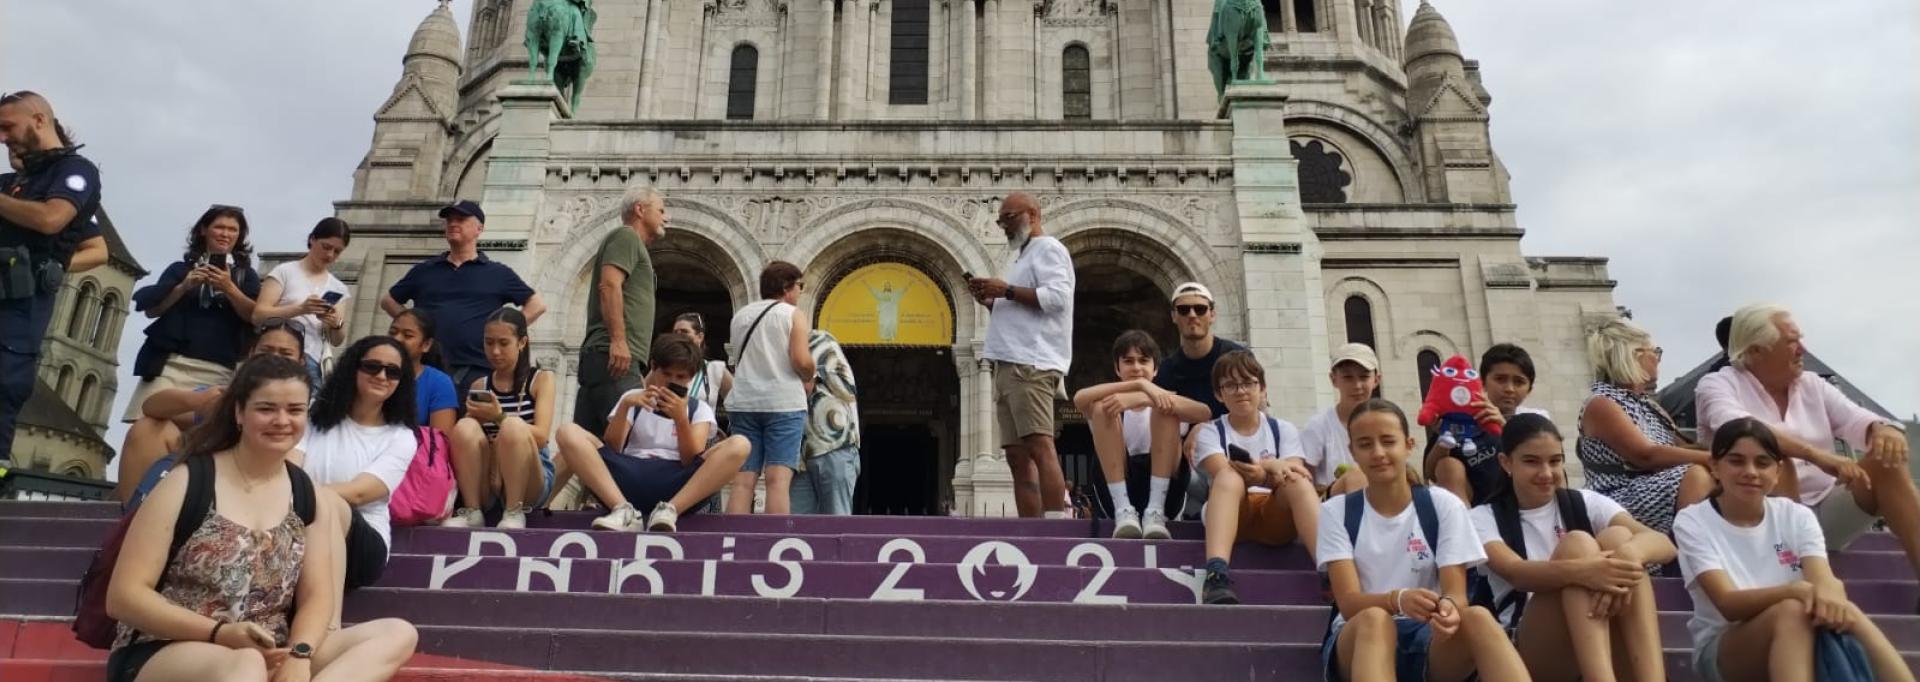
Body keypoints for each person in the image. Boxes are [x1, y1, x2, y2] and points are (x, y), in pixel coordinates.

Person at [104, 354, 416, 682]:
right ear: (239, 412)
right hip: (173, 646)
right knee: (245, 664)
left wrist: (300, 654)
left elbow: (317, 596)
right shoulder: (187, 481)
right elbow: (124, 597)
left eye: (295, 410)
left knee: (396, 633)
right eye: (266, 409)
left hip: (271, 646)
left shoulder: (305, 492)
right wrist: (220, 633)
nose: (282, 420)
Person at [1673, 417, 1913, 682]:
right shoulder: (1693, 520)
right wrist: (1795, 590)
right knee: (1791, 610)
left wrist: (1829, 593)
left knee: (1842, 609)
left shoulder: (1796, 515)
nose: (1751, 471)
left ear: (1777, 473)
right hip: (1724, 649)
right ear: (1715, 467)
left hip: (1801, 632)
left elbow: (1822, 579)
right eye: (1736, 460)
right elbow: (1728, 604)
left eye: (1762, 463)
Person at [1696, 304, 1919, 580]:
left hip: (1825, 511)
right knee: (1775, 460)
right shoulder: (1717, 384)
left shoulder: (1812, 384)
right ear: (1755, 351)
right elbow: (1740, 429)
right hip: (1757, 519)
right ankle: (1790, 576)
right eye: (1792, 342)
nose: (1802, 349)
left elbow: (1857, 419)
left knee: (1886, 458)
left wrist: (1885, 430)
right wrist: (1817, 455)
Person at [1317, 399, 1529, 682]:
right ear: (1352, 451)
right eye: (1365, 444)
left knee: (1478, 617)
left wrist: (1449, 610)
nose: (1378, 453)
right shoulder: (1336, 511)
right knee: (1375, 620)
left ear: (1408, 444)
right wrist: (1398, 600)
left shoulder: (1444, 505)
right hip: (1357, 637)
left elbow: (1456, 592)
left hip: (1427, 635)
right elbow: (1348, 603)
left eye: (1388, 441)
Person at [1471, 414, 1673, 682]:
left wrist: (1626, 557)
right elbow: (1516, 572)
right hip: (1532, 649)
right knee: (1577, 544)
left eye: (1555, 461)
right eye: (1531, 461)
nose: (1546, 473)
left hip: (1604, 632)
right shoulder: (1481, 517)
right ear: (1506, 463)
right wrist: (1585, 571)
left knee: (1619, 538)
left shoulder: (1586, 501)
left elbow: (1665, 544)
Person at [555, 334, 749, 531]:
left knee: (740, 444)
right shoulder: (632, 397)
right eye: (666, 374)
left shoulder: (699, 409)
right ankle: (622, 509)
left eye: (680, 377)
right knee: (568, 432)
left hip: (677, 483)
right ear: (654, 367)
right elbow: (613, 448)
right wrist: (624, 408)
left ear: (691, 377)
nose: (672, 381)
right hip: (627, 476)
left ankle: (671, 509)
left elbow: (691, 459)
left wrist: (680, 419)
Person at [0, 91, 103, 459]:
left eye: (8, 127)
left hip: (19, 311)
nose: (3, 138)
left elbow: (50, 220)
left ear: (40, 119)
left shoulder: (76, 172)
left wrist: (49, 271)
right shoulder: (10, 182)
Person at [292, 336, 419, 626]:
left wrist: (303, 498)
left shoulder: (401, 437)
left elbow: (360, 493)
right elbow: (289, 467)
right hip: (296, 524)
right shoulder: (311, 413)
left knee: (333, 504)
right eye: (372, 367)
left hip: (362, 546)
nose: (382, 376)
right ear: (353, 368)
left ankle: (328, 625)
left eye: (393, 371)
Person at [115, 319, 306, 504]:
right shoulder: (225, 396)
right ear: (251, 354)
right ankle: (133, 518)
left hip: (266, 487)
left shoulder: (310, 409)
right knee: (148, 428)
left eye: (285, 353)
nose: (273, 359)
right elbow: (150, 407)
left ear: (301, 361)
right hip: (208, 478)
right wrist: (196, 401)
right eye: (266, 351)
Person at [970, 192, 1077, 518]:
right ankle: (1030, 527)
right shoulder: (1020, 257)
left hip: (1032, 361)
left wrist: (1006, 291)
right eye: (1001, 220)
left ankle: (1056, 523)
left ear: (1033, 214)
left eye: (1010, 218)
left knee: (1040, 444)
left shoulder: (1049, 249)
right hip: (1008, 361)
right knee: (1016, 455)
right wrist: (991, 301)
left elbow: (1058, 298)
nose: (1004, 226)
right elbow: (1020, 304)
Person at [380, 200, 546, 394]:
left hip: (477, 370)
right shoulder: (424, 270)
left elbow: (537, 305)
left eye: (460, 219)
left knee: (467, 425)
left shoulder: (498, 273)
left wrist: (504, 332)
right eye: (449, 220)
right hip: (425, 367)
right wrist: (414, 326)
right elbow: (388, 301)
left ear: (479, 228)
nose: (452, 224)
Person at [1191, 350, 1316, 604]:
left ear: (1263, 389)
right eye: (1231, 385)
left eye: (1248, 382)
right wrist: (1270, 467)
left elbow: (1294, 472)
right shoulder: (1210, 432)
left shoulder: (1284, 429)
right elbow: (1222, 472)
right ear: (1219, 394)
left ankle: (1331, 570)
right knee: (1229, 476)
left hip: (1275, 516)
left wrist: (1265, 473)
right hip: (1234, 513)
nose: (1241, 391)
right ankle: (1216, 574)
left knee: (1297, 483)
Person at [122, 205, 263, 426]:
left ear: (239, 236)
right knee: (148, 424)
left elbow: (255, 317)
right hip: (171, 363)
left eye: (232, 229)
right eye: (219, 227)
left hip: (220, 368)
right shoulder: (180, 269)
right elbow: (152, 310)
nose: (225, 234)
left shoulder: (246, 276)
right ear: (204, 230)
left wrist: (229, 288)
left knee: (200, 436)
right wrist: (184, 286)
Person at [1576, 318, 1712, 534]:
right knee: (1697, 475)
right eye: (1654, 351)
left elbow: (1681, 449)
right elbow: (1646, 455)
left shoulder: (1647, 404)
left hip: (1656, 485)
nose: (1658, 358)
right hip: (1618, 496)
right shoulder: (1602, 403)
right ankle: (1691, 557)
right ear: (1635, 355)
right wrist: (1713, 460)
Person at [1071, 330, 1209, 538]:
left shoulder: (1166, 398)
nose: (1136, 367)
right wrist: (1138, 385)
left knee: (1167, 409)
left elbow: (1204, 412)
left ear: (1155, 369)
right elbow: (1079, 399)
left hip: (1166, 495)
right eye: (1128, 361)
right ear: (1117, 368)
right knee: (1101, 407)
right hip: (1118, 493)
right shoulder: (1111, 402)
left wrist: (1146, 398)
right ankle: (1123, 509)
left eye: (1143, 361)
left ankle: (1155, 510)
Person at [443, 307, 557, 529]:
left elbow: (542, 437)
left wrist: (498, 417)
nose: (495, 351)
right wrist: (474, 419)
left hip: (531, 477)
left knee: (513, 425)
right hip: (490, 473)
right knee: (464, 426)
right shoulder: (480, 385)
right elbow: (466, 439)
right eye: (489, 342)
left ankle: (514, 511)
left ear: (522, 342)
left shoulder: (541, 379)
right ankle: (472, 510)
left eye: (503, 343)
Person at [575, 185, 665, 437]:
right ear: (640, 209)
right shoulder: (626, 237)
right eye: (660, 210)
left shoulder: (630, 243)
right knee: (632, 439)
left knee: (586, 444)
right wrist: (618, 340)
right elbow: (610, 284)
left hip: (606, 358)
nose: (665, 216)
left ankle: (544, 479)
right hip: (615, 359)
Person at [725, 261, 814, 515]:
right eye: (799, 286)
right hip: (782, 403)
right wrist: (811, 372)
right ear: (787, 287)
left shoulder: (741, 316)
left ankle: (734, 542)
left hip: (744, 402)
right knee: (778, 481)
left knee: (742, 481)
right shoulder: (792, 314)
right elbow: (800, 360)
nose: (800, 292)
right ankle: (775, 544)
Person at [1157, 282, 1249, 518]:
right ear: (1173, 316)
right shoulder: (1166, 370)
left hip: (1237, 454)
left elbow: (1253, 409)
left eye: (1200, 309)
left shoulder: (1236, 357)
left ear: (1212, 314)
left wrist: (1206, 427)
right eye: (1184, 309)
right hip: (1189, 468)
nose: (1192, 315)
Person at [1428, 343, 1547, 506]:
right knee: (1448, 465)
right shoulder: (1458, 419)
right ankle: (1465, 525)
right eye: (1500, 379)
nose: (1509, 389)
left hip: (1520, 505)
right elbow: (1430, 473)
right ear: (1482, 382)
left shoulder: (1534, 424)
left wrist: (1503, 427)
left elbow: (1544, 465)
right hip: (1475, 508)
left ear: (1529, 389)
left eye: (1519, 382)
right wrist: (1443, 437)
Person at [254, 218, 352, 389]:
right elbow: (258, 315)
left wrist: (336, 324)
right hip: (277, 352)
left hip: (312, 361)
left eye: (337, 251)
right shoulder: (284, 272)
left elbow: (337, 340)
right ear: (312, 240)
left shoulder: (339, 288)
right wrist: (300, 309)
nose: (330, 255)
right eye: (326, 247)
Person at [793, 329, 862, 515]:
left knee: (835, 528)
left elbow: (847, 389)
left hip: (833, 447)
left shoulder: (818, 340)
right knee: (796, 532)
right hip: (798, 457)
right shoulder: (779, 348)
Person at [1300, 343, 1382, 498]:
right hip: (1332, 504)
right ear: (1333, 379)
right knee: (1356, 477)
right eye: (1348, 377)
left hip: (1380, 500)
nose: (1357, 385)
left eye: (1364, 377)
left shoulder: (1387, 423)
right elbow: (1304, 480)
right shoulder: (1319, 426)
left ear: (1376, 380)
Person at [388, 308, 458, 435]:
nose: (397, 339)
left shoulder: (439, 382)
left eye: (407, 335)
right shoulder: (371, 373)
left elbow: (439, 441)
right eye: (393, 332)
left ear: (426, 345)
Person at [671, 312, 733, 411]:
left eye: (684, 332)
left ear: (700, 337)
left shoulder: (715, 369)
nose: (678, 336)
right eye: (675, 332)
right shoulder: (664, 367)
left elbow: (738, 402)